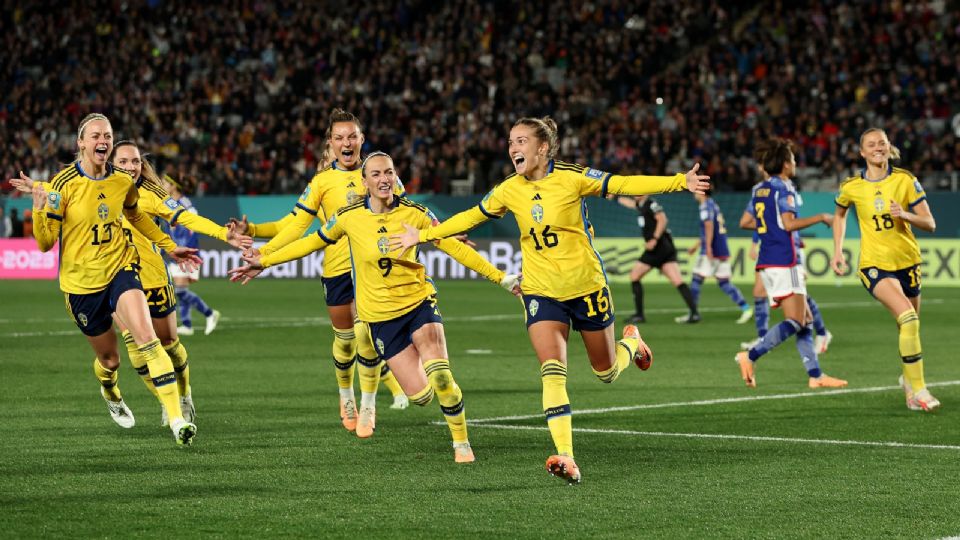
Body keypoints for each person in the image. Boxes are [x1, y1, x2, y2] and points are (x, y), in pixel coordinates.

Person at [391, 116, 706, 484]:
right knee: (552, 371)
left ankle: (631, 342)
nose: (513, 149)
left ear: (543, 147)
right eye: (510, 142)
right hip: (540, 291)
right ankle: (566, 456)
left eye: (521, 141)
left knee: (605, 372)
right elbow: (471, 217)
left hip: (586, 287)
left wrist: (678, 181)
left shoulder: (572, 177)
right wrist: (425, 234)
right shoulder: (509, 189)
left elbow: (622, 182)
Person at [230, 151, 521, 461]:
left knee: (442, 377)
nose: (385, 179)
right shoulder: (348, 216)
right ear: (365, 182)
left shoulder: (416, 213)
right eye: (377, 174)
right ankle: (401, 369)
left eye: (390, 173)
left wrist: (501, 278)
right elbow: (310, 241)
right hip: (381, 318)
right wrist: (265, 261)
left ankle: (461, 444)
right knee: (422, 396)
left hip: (418, 303)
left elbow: (453, 248)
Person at [11, 141, 252, 426]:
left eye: (135, 162)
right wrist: (40, 187)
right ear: (111, 163)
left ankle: (184, 393)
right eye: (123, 162)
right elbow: (69, 185)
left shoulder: (149, 193)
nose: (130, 167)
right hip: (118, 276)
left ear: (142, 165)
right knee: (139, 349)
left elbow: (185, 217)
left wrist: (224, 235)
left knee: (170, 344)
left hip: (153, 278)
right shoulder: (101, 185)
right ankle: (170, 405)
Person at [21, 113, 201, 444]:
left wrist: (169, 246)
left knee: (148, 339)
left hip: (120, 269)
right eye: (95, 136)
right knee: (110, 359)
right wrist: (38, 208)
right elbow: (46, 244)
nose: (102, 140)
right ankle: (110, 390)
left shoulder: (121, 181)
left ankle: (177, 420)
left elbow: (136, 215)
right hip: (80, 285)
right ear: (81, 143)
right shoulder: (62, 185)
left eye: (107, 135)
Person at [231, 109, 410, 437]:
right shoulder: (322, 183)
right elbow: (296, 227)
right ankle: (346, 397)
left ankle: (369, 404)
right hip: (338, 271)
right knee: (344, 342)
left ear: (362, 139)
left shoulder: (380, 172)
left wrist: (446, 234)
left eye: (352, 136)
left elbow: (408, 214)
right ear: (330, 144)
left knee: (365, 336)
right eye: (340, 137)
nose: (347, 142)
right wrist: (262, 252)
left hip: (371, 270)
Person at [831, 127, 939, 411]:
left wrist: (904, 214)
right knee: (909, 319)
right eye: (871, 144)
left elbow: (930, 223)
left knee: (908, 326)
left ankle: (907, 386)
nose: (877, 147)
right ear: (862, 152)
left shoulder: (905, 180)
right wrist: (838, 251)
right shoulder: (851, 186)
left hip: (908, 263)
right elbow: (840, 214)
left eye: (882, 142)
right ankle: (920, 389)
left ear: (889, 147)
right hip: (874, 265)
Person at [736, 138, 846, 389]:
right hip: (785, 260)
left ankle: (815, 375)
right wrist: (821, 217)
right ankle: (750, 356)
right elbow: (788, 224)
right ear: (786, 165)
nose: (795, 164)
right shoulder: (785, 189)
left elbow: (747, 222)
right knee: (796, 320)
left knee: (804, 319)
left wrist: (770, 230)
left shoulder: (759, 189)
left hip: (768, 260)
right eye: (793, 160)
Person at [741, 160, 832, 354]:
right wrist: (758, 240)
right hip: (772, 249)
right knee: (760, 293)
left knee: (799, 300)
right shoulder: (760, 190)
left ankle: (822, 333)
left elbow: (787, 222)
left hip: (787, 250)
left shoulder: (785, 188)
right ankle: (764, 339)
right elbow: (758, 221)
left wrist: (794, 239)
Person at [611, 194, 699, 323]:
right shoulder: (641, 205)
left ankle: (639, 315)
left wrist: (654, 239)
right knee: (678, 280)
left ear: (646, 193)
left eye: (639, 191)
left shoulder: (651, 204)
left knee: (634, 276)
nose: (635, 193)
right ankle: (695, 313)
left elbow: (662, 219)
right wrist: (614, 198)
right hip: (665, 248)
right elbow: (629, 203)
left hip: (658, 248)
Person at [161, 175, 222, 337]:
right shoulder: (168, 202)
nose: (162, 184)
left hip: (187, 252)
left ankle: (209, 313)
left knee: (179, 291)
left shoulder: (185, 204)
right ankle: (187, 325)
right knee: (181, 289)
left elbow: (193, 225)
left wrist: (186, 249)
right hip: (176, 252)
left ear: (174, 186)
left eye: (165, 182)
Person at [682, 190, 752, 324]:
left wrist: (707, 247)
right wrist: (697, 245)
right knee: (724, 282)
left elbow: (709, 226)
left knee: (696, 280)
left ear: (702, 193)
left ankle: (693, 313)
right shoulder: (713, 204)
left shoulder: (705, 206)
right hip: (721, 248)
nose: (694, 194)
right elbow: (709, 228)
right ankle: (746, 308)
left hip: (712, 250)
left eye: (696, 191)